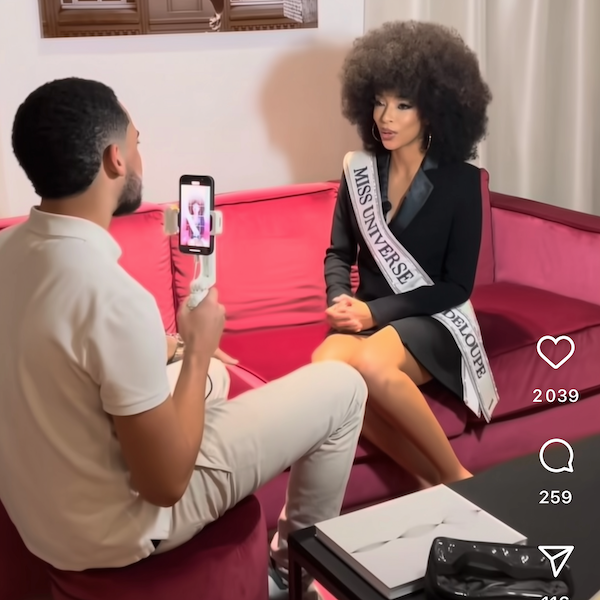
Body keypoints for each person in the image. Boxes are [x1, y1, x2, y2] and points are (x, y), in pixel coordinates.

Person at [0, 77, 368, 600]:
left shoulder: (10, 250)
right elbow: (166, 484)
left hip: (45, 517)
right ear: (114, 160)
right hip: (123, 528)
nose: (140, 157)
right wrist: (196, 348)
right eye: (137, 143)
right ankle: (295, 576)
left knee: (218, 376)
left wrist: (175, 350)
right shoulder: (112, 297)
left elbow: (69, 356)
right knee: (343, 387)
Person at [312, 21, 496, 488]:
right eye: (379, 101)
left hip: (432, 320)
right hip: (368, 315)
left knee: (373, 365)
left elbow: (457, 286)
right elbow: (338, 253)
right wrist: (340, 300)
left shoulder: (462, 182)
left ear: (433, 111)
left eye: (403, 104)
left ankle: (458, 477)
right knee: (326, 371)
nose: (385, 117)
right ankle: (426, 483)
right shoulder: (359, 172)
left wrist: (374, 313)